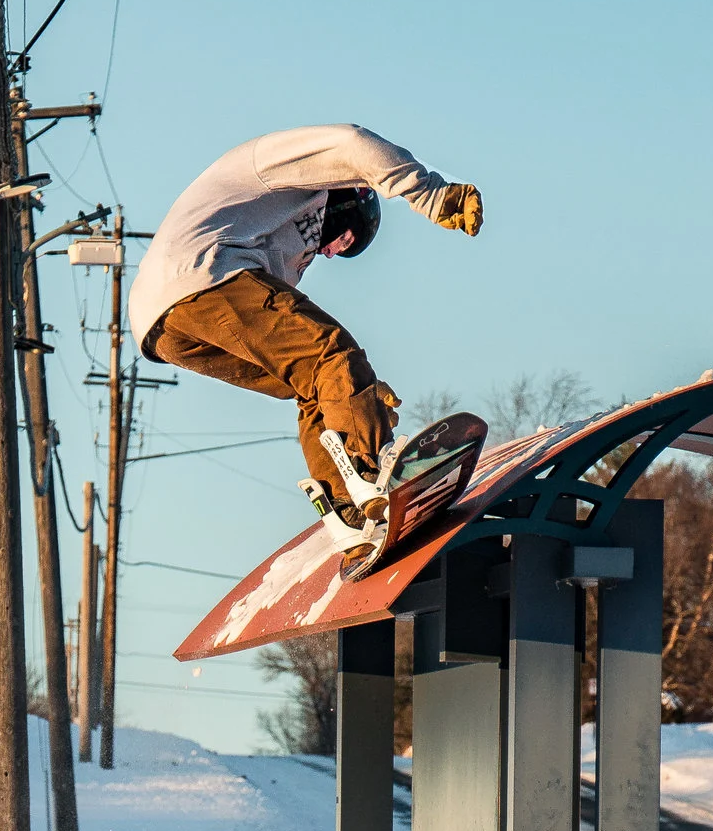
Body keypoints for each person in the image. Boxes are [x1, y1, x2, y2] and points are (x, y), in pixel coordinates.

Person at [128, 125, 480, 569]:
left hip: (166, 325)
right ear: (344, 200)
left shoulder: (285, 252)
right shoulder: (279, 171)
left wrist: (358, 395)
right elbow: (353, 143)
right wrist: (430, 193)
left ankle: (350, 519)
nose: (332, 252)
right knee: (332, 353)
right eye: (346, 239)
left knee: (315, 384)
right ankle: (371, 469)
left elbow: (308, 362)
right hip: (203, 274)